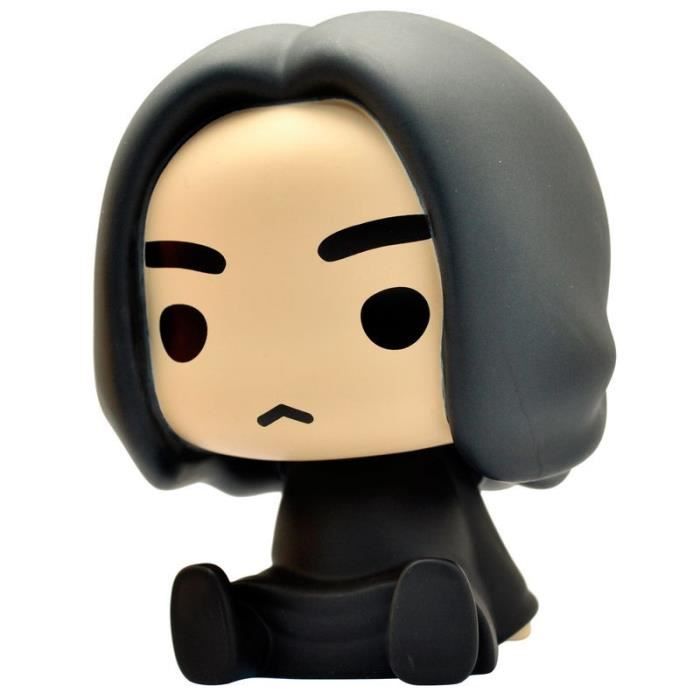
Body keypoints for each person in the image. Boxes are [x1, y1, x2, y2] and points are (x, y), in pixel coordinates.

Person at [95, 11, 615, 685]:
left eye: (389, 313)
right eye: (187, 324)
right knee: (281, 597)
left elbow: (491, 574)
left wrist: (504, 611)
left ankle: (439, 624)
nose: (280, 370)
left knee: (439, 586)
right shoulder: (298, 473)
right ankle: (245, 628)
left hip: (435, 575)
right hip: (300, 582)